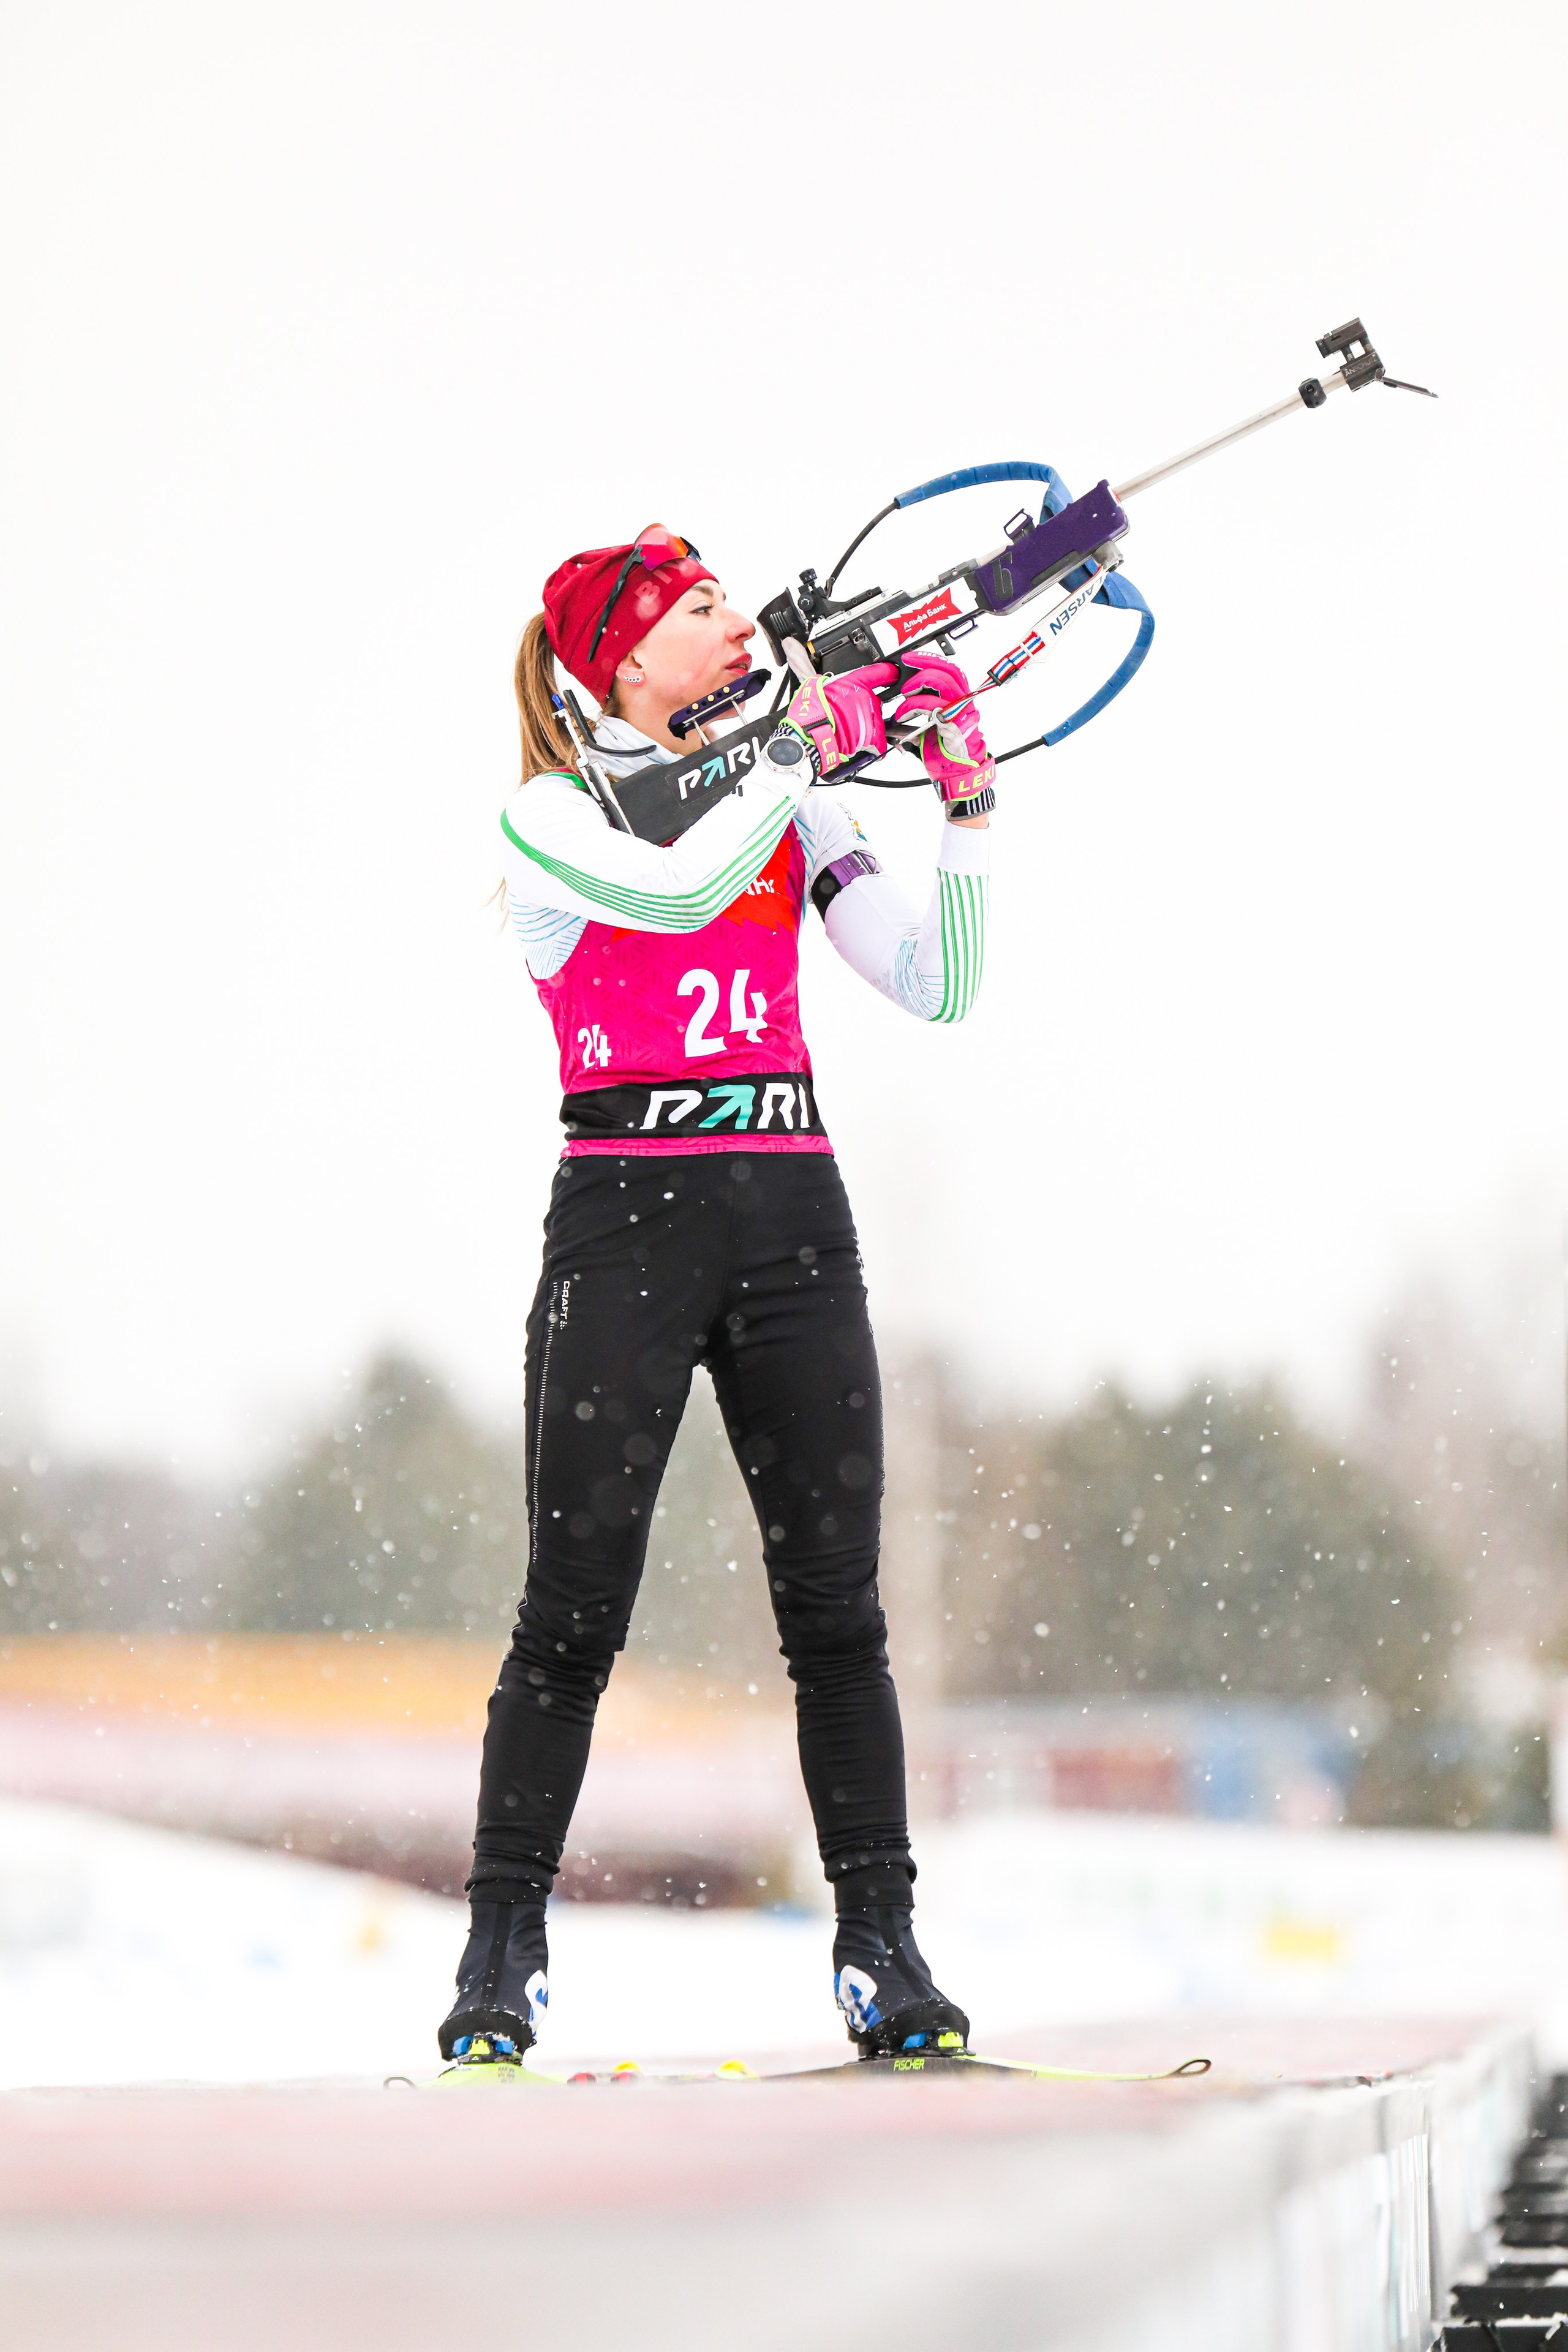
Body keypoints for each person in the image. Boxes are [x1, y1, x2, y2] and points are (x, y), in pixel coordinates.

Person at [440, 527, 995, 2067]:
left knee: (839, 1617)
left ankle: (880, 1946)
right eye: (694, 609)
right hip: (626, 1224)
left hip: (789, 1214)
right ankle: (502, 1947)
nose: (730, 619)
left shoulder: (790, 799)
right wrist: (804, 738)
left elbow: (936, 982)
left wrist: (962, 802)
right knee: (571, 1617)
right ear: (614, 666)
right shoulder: (552, 809)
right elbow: (680, 894)